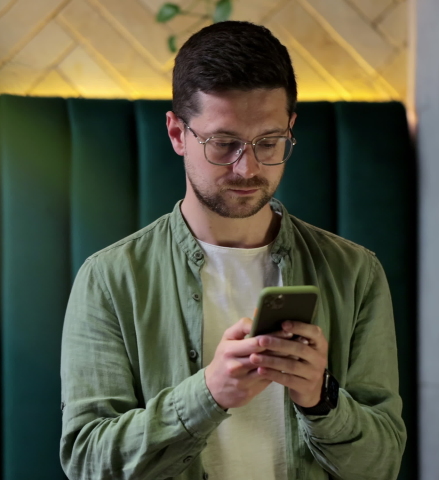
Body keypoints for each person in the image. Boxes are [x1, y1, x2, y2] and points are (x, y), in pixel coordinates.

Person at [59, 20, 406, 480]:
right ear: (177, 134)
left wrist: (323, 401)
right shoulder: (109, 278)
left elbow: (382, 465)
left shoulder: (355, 272)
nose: (248, 167)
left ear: (290, 128)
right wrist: (207, 395)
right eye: (224, 144)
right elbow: (87, 462)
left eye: (269, 142)